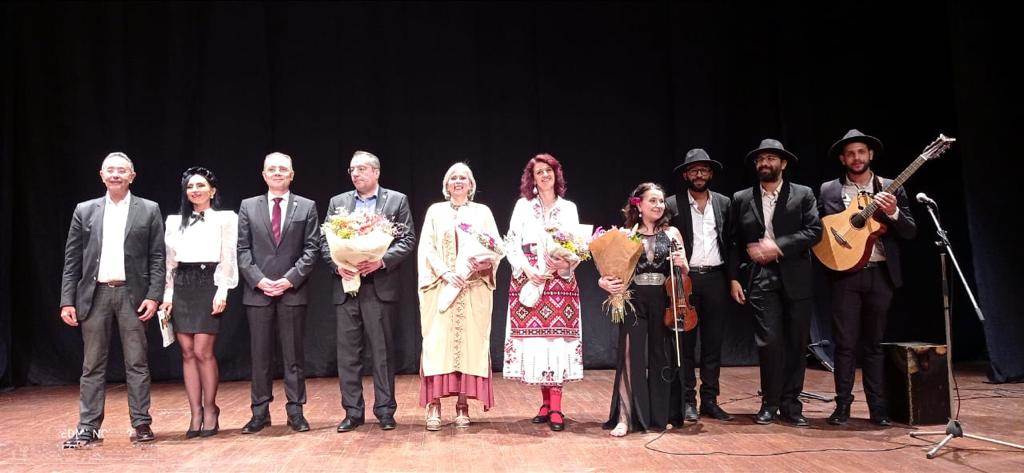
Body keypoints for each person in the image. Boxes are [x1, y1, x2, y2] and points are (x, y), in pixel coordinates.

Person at [59, 152, 165, 448]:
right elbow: (72, 260)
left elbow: (158, 257)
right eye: (110, 170)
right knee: (92, 364)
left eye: (122, 170)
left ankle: (141, 423)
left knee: (137, 362)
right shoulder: (85, 210)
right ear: (102, 175)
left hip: (133, 295)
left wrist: (154, 296)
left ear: (132, 176)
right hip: (95, 295)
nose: (116, 174)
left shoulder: (149, 209)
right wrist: (67, 300)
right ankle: (88, 427)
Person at [819, 129, 916, 426]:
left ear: (870, 154)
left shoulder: (889, 187)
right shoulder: (829, 190)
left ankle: (878, 409)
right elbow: (821, 231)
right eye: (850, 153)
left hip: (880, 274)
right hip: (845, 276)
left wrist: (894, 212)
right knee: (844, 345)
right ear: (842, 159)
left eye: (861, 151)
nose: (856, 157)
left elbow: (910, 231)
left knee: (874, 344)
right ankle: (842, 407)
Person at [727, 138, 822, 427]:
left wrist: (778, 246)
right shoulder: (742, 198)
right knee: (769, 343)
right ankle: (769, 403)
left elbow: (814, 231)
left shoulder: (803, 194)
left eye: (770, 158)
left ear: (783, 163)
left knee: (796, 342)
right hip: (760, 277)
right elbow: (733, 241)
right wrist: (733, 278)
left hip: (796, 276)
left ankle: (791, 404)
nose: (764, 163)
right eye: (760, 159)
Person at [322, 150, 416, 432]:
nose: (356, 174)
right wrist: (337, 266)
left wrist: (381, 261)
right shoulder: (338, 202)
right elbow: (324, 241)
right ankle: (352, 412)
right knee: (348, 354)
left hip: (379, 286)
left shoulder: (396, 200)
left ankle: (385, 410)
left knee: (382, 352)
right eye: (352, 169)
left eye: (362, 169)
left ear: (376, 172)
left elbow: (407, 239)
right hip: (347, 286)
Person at [237, 152, 320, 434]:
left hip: (292, 291)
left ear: (292, 175)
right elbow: (242, 249)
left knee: (293, 356)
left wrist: (289, 280)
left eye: (283, 169)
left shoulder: (306, 206)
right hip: (258, 292)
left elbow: (311, 249)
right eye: (271, 169)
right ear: (263, 175)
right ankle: (259, 412)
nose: (277, 173)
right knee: (260, 357)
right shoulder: (248, 206)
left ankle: (295, 411)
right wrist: (259, 280)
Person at [600, 182, 688, 437]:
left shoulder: (672, 233)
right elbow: (609, 271)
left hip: (663, 299)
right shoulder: (626, 235)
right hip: (634, 299)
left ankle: (660, 416)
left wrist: (683, 264)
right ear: (639, 205)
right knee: (630, 357)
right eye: (653, 201)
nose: (659, 205)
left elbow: (684, 273)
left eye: (661, 201)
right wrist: (603, 282)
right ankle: (625, 417)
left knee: (662, 356)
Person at [417, 163, 501, 431]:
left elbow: (495, 247)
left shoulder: (482, 212)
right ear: (446, 184)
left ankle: (462, 405)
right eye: (453, 177)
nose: (458, 181)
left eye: (463, 177)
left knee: (468, 346)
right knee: (437, 346)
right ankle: (434, 406)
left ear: (471, 184)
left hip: (472, 287)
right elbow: (426, 248)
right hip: (441, 287)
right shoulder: (435, 211)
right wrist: (444, 273)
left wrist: (484, 263)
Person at [503, 153, 583, 432]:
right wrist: (528, 270)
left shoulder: (569, 208)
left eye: (548, 170)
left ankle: (557, 406)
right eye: (539, 172)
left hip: (560, 282)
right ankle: (546, 403)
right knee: (538, 343)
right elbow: (511, 242)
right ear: (532, 178)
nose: (545, 175)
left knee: (556, 342)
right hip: (530, 279)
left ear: (556, 174)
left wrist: (566, 262)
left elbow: (577, 244)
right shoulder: (523, 206)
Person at [160, 166, 238, 438]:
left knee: (203, 350)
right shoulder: (174, 222)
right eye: (191, 186)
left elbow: (228, 256)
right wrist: (168, 294)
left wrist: (222, 290)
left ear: (212, 191)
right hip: (182, 283)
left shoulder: (225, 219)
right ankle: (195, 412)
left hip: (209, 282)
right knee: (187, 352)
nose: (195, 190)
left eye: (201, 185)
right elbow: (170, 262)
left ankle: (211, 408)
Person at [665, 149, 735, 424]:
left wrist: (733, 279)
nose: (698, 174)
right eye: (693, 170)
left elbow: (731, 243)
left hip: (716, 278)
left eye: (703, 169)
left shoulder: (724, 203)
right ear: (686, 175)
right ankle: (686, 401)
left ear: (710, 173)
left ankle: (710, 400)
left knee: (713, 343)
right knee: (685, 342)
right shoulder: (672, 204)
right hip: (686, 279)